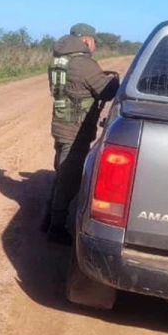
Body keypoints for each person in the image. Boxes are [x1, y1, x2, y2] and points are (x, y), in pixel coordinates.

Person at [44, 23, 120, 245]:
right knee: (69, 177)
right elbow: (107, 91)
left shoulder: (60, 60)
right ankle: (56, 227)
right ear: (87, 40)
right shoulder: (83, 63)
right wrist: (114, 80)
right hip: (76, 129)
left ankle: (47, 218)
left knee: (61, 171)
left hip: (61, 124)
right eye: (93, 41)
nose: (93, 45)